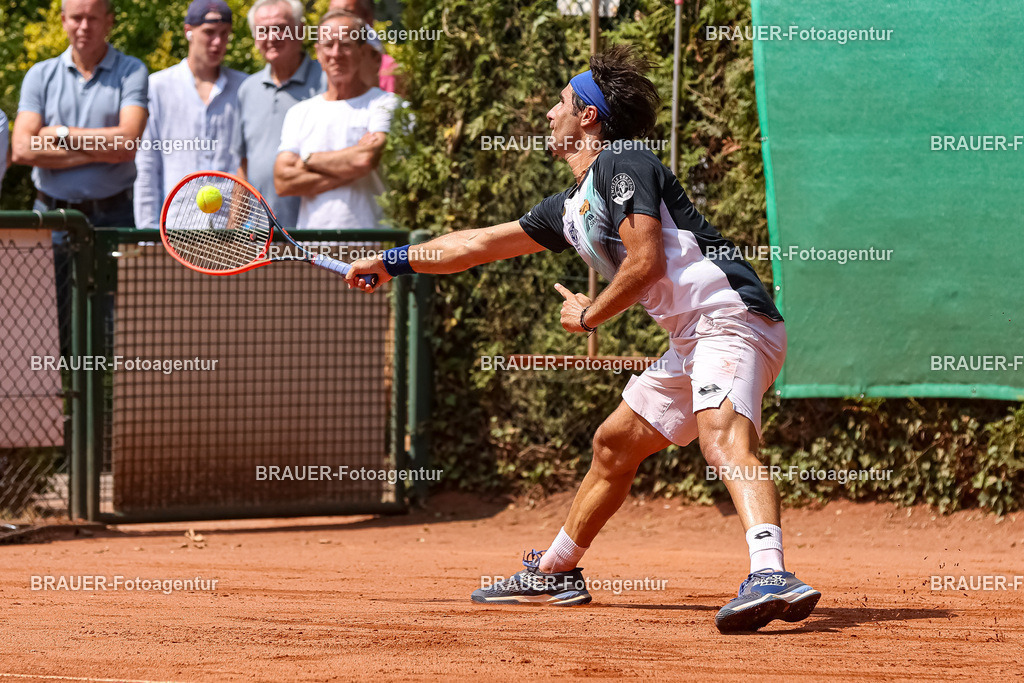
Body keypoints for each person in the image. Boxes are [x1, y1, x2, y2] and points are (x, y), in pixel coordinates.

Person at [344, 46, 821, 634]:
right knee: (614, 445)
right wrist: (393, 262)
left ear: (588, 117)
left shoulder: (624, 162)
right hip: (691, 338)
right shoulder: (568, 207)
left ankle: (770, 574)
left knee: (722, 438)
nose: (549, 114)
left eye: (561, 103)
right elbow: (474, 244)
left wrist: (591, 314)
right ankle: (556, 570)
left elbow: (644, 262)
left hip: (731, 317)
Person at [12, 0, 147, 226]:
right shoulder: (40, 75)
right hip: (50, 216)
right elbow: (22, 149)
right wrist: (105, 152)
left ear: (108, 22)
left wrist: (60, 134)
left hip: (115, 216)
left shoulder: (131, 72)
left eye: (92, 18)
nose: (84, 26)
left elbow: (127, 144)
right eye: (76, 18)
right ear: (64, 21)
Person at [273, 10, 399, 230]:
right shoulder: (299, 112)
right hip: (312, 251)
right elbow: (282, 181)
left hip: (373, 246)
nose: (336, 53)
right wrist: (350, 166)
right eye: (328, 45)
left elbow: (364, 160)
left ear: (362, 51)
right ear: (318, 53)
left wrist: (306, 160)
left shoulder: (386, 103)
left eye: (346, 45)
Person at [133, 0, 247, 228]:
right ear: (188, 32)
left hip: (233, 231)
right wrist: (147, 231)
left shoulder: (245, 88)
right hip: (176, 226)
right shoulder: (157, 86)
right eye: (209, 33)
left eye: (224, 34)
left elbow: (247, 164)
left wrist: (239, 225)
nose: (217, 42)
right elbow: (147, 164)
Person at [234, 0, 324, 228]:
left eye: (281, 28)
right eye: (263, 30)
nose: (272, 37)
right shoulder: (247, 89)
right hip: (260, 236)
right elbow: (244, 167)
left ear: (301, 30)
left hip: (315, 230)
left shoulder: (326, 81)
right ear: (255, 38)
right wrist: (233, 230)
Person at [328, 0, 397, 93]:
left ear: (367, 17)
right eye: (332, 13)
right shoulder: (325, 62)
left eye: (346, 13)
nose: (338, 20)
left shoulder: (387, 69)